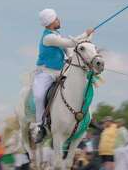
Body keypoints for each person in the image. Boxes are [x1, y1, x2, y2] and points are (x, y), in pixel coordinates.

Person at [33, 8, 94, 143]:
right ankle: (40, 126)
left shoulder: (57, 35)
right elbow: (69, 43)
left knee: (78, 85)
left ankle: (86, 114)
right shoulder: (48, 38)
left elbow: (69, 50)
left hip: (60, 71)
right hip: (45, 73)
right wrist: (85, 33)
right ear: (50, 22)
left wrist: (77, 52)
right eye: (56, 18)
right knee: (38, 96)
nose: (58, 19)